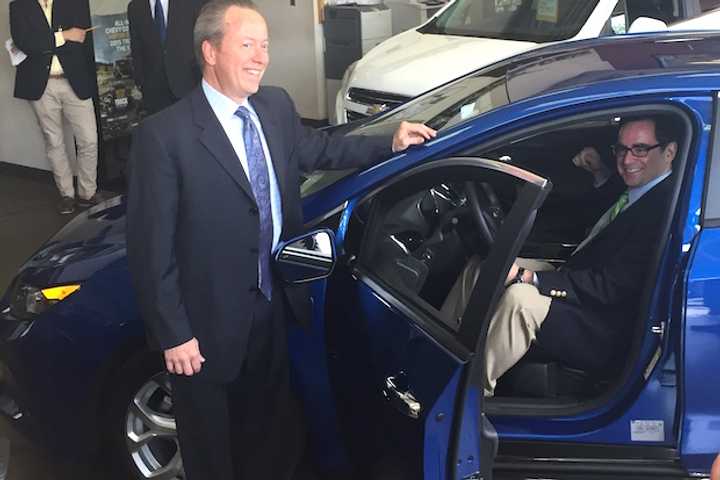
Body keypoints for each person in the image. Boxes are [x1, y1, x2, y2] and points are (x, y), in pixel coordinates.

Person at [125, 1, 436, 478]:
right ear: (209, 51)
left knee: (268, 432)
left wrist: (388, 140)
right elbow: (151, 249)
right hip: (204, 330)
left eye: (265, 45)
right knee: (211, 448)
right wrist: (174, 333)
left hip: (271, 307)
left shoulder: (274, 106)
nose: (260, 57)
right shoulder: (164, 136)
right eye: (246, 44)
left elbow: (323, 149)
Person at [483, 116, 678, 396]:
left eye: (640, 149)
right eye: (621, 149)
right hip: (583, 284)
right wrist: (599, 171)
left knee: (520, 301)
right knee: (489, 268)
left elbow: (610, 287)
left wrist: (532, 279)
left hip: (604, 323)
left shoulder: (664, 208)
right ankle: (446, 348)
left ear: (669, 152)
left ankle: (466, 396)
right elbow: (600, 212)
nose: (626, 159)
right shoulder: (640, 189)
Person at [10, 0, 100, 215]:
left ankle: (87, 193)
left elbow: (84, 40)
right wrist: (65, 36)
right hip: (41, 84)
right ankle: (66, 195)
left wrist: (47, 42)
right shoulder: (18, 6)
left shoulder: (75, 3)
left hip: (75, 80)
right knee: (54, 142)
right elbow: (25, 43)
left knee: (89, 139)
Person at [127, 0, 206, 114]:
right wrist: (141, 82)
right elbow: (136, 48)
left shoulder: (191, 3)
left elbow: (202, 40)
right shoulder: (135, 7)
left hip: (190, 85)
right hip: (154, 93)